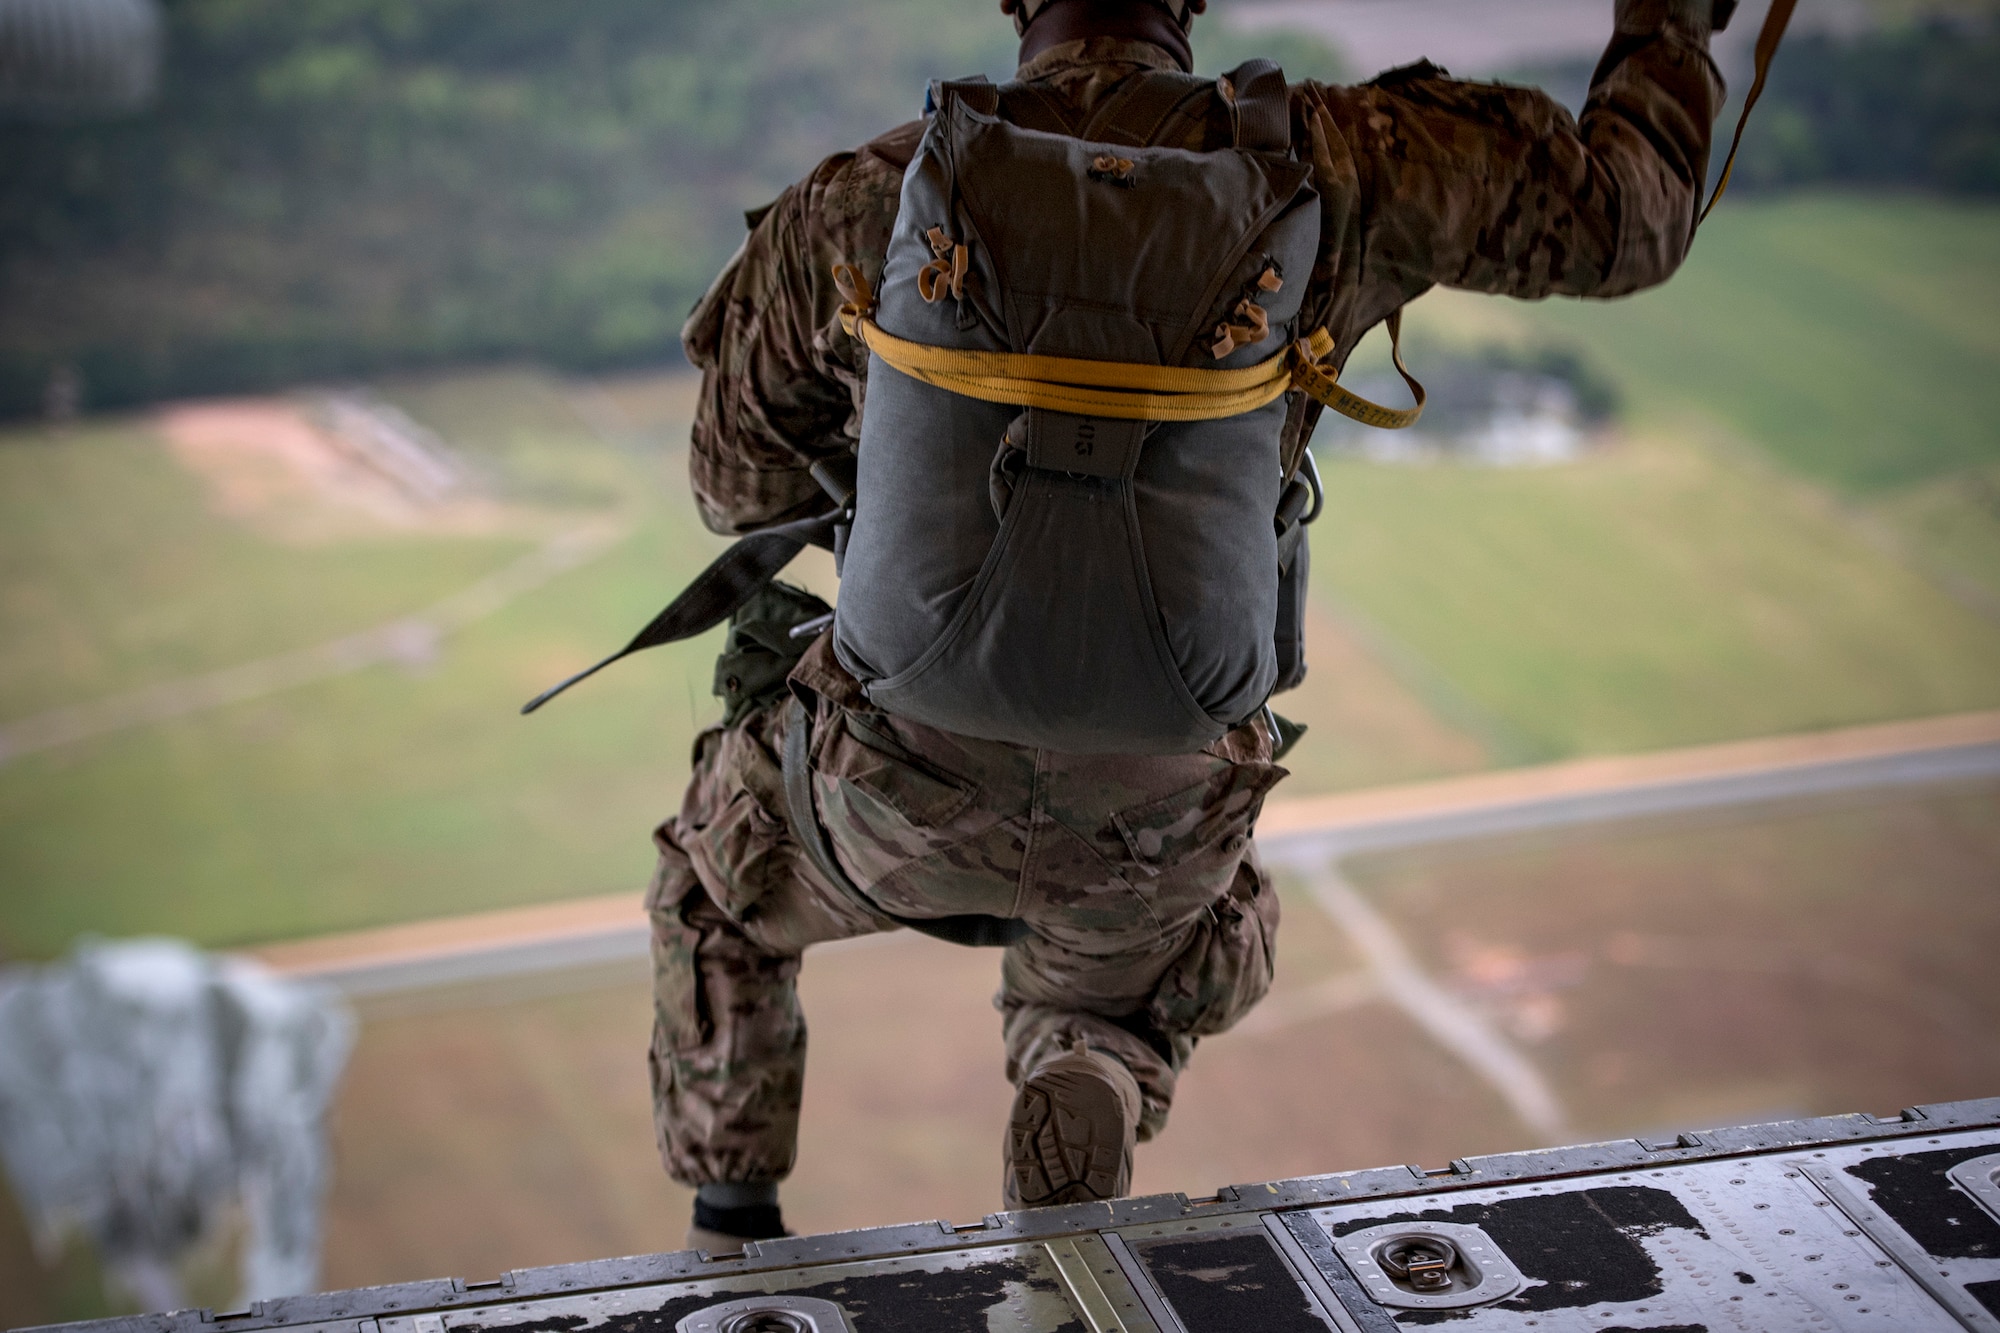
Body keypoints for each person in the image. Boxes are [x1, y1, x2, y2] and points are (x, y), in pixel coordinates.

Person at [652, 0, 1733, 1253]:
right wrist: (1668, 25)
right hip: (1154, 815)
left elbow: (732, 489)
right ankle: (1098, 1051)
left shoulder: (869, 197)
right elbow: (1626, 223)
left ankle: (732, 1218)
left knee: (716, 882)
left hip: (890, 784)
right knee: (1163, 922)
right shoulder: (1344, 160)